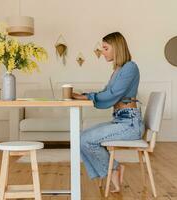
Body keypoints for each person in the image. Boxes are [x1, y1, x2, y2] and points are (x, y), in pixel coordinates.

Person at [72, 32, 145, 192]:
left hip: (130, 124)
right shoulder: (118, 70)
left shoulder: (130, 67)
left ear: (117, 47)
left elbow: (112, 95)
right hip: (120, 120)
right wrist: (84, 96)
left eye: (105, 48)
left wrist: (86, 97)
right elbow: (106, 91)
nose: (103, 52)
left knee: (85, 140)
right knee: (80, 138)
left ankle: (113, 169)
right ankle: (113, 168)